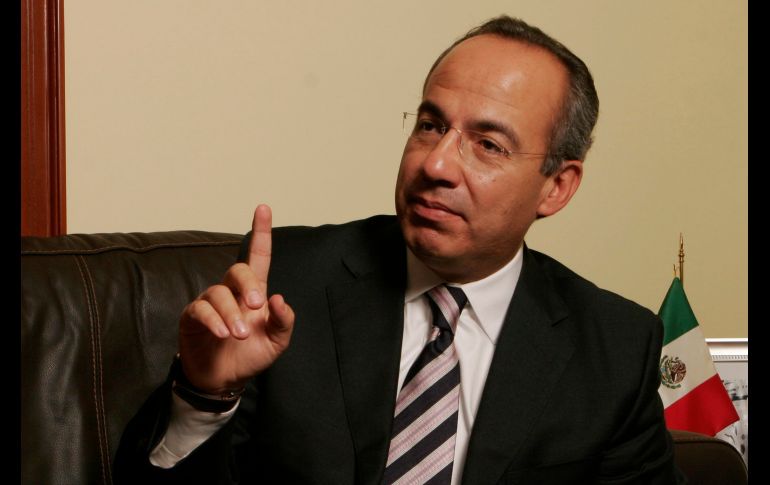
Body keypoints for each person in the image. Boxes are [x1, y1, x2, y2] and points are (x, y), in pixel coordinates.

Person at [114, 15, 685, 484]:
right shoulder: (288, 283)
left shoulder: (613, 348)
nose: (436, 165)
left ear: (556, 186)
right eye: (431, 126)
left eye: (488, 144)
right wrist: (205, 397)